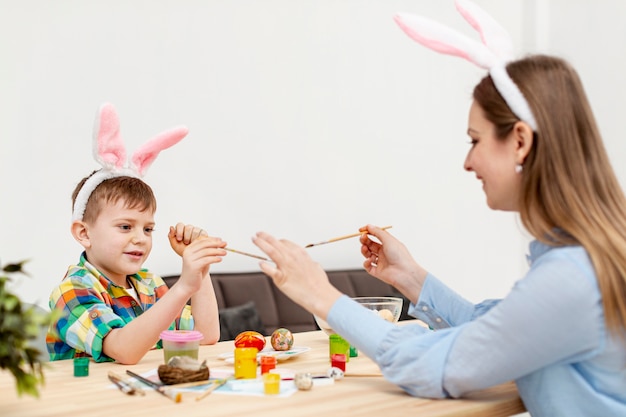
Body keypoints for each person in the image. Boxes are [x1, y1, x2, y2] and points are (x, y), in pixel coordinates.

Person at [251, 1, 626, 416]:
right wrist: (411, 278)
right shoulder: (581, 261)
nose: (468, 162)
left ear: (519, 141)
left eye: (474, 140)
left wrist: (320, 295)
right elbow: (491, 332)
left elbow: (432, 367)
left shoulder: (570, 277)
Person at [47, 103, 226, 364]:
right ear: (84, 233)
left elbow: (205, 336)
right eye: (125, 227)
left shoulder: (149, 285)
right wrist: (183, 286)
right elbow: (123, 350)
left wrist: (200, 271)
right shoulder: (72, 290)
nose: (140, 238)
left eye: (148, 228)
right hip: (90, 402)